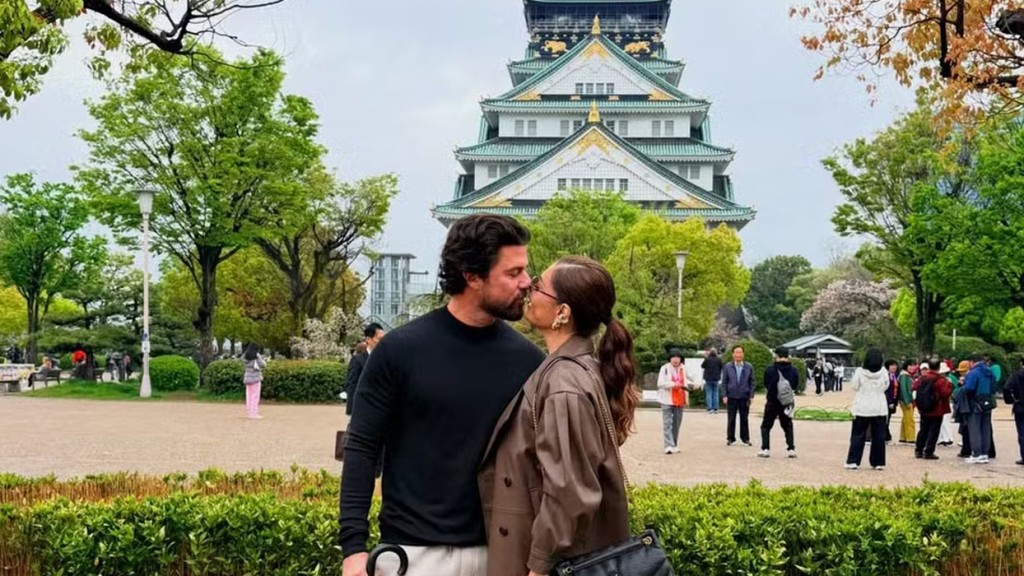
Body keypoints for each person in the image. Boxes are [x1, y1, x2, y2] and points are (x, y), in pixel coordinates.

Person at [339, 214, 545, 576]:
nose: (527, 282)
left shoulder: (530, 362)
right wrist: (354, 547)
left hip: (501, 555)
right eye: (513, 273)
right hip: (411, 555)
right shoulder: (400, 350)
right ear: (472, 276)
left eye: (524, 270)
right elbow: (362, 447)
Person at [479, 256, 637, 576]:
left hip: (546, 564)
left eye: (538, 285)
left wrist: (539, 567)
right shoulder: (577, 368)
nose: (528, 286)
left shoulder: (564, 382)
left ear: (562, 312)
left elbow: (570, 492)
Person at [845, 348, 890, 470]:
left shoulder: (860, 372)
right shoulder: (884, 372)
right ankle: (878, 462)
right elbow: (886, 386)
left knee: (858, 435)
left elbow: (854, 386)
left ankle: (853, 461)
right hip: (879, 407)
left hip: (862, 407)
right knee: (879, 436)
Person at [758, 346, 798, 458]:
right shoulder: (793, 370)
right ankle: (791, 449)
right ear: (788, 355)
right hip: (786, 402)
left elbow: (766, 384)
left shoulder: (770, 370)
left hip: (772, 401)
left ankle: (765, 448)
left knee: (766, 426)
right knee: (787, 425)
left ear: (777, 355)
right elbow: (795, 385)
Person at [913, 358, 953, 460]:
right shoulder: (941, 380)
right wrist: (950, 385)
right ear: (939, 367)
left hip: (924, 408)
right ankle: (928, 451)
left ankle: (918, 450)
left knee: (923, 429)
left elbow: (914, 387)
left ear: (929, 367)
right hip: (937, 408)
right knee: (934, 431)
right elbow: (945, 393)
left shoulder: (922, 378)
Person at [343, 323, 385, 415]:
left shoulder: (386, 359)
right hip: (363, 410)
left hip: (383, 410)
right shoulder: (358, 360)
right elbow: (352, 385)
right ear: (368, 339)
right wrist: (352, 411)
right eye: (379, 339)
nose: (383, 342)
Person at [963, 354, 996, 464]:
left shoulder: (973, 373)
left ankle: (976, 453)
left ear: (972, 362)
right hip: (987, 403)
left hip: (975, 403)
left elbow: (969, 388)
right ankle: (984, 453)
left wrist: (963, 384)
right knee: (985, 428)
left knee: (974, 429)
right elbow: (993, 388)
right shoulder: (990, 372)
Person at [722, 345, 755, 447]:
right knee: (731, 418)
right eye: (736, 352)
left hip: (744, 396)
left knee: (744, 418)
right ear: (733, 354)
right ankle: (730, 438)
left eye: (740, 352)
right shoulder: (728, 366)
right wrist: (724, 395)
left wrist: (751, 395)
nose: (738, 354)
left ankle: (745, 438)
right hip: (731, 396)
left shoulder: (748, 367)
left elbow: (752, 382)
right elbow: (724, 382)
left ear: (743, 354)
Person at [658, 349, 687, 454]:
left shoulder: (683, 368)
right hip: (667, 399)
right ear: (670, 359)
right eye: (673, 357)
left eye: (677, 357)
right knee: (667, 423)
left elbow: (686, 381)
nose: (675, 359)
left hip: (679, 399)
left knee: (676, 423)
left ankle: (674, 444)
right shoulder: (664, 368)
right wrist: (674, 384)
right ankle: (668, 445)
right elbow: (660, 383)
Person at [1002, 356, 1024, 466]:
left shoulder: (1017, 375)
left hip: (1020, 406)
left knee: (1022, 432)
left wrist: (1011, 400)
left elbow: (1006, 388)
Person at [242, 343, 267, 419]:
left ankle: (249, 412)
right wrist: (264, 360)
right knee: (255, 396)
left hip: (247, 378)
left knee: (249, 396)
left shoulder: (245, 356)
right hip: (255, 378)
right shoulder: (256, 355)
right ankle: (254, 413)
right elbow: (262, 365)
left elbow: (243, 361)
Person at [897, 361, 918, 444]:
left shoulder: (907, 375)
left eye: (914, 366)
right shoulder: (904, 376)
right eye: (910, 365)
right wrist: (907, 401)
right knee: (910, 419)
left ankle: (903, 436)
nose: (912, 367)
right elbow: (903, 389)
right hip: (906, 400)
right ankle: (910, 437)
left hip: (907, 400)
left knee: (906, 418)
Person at [701, 347, 723, 414]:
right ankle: (716, 409)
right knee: (715, 393)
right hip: (716, 378)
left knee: (709, 393)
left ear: (710, 352)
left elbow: (702, 366)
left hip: (708, 378)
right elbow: (721, 367)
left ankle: (709, 409)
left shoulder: (707, 359)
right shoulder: (719, 359)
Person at [884, 359, 900, 443]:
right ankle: (885, 435)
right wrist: (889, 401)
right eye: (892, 365)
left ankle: (886, 434)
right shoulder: (885, 376)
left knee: (888, 418)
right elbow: (886, 390)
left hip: (893, 400)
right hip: (886, 401)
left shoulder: (896, 376)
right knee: (885, 419)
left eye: (895, 365)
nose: (894, 367)